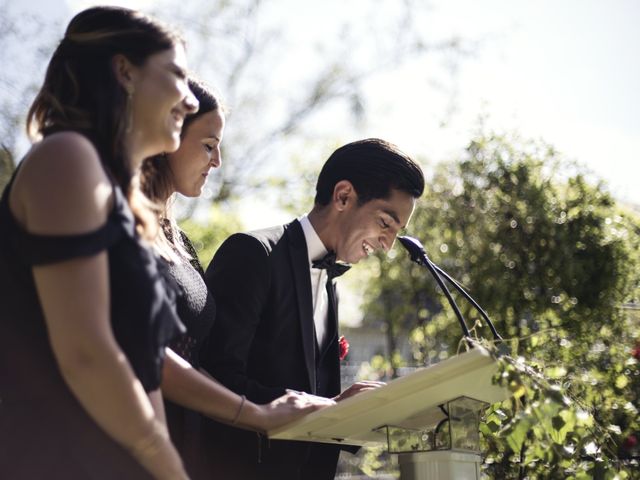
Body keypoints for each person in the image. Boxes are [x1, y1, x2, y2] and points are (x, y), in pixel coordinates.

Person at [0, 6, 198, 479]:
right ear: (124, 71)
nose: (191, 101)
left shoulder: (111, 192)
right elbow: (86, 351)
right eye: (177, 76)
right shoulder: (66, 157)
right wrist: (167, 464)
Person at [200, 138, 426, 479]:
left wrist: (359, 410)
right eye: (385, 223)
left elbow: (315, 397)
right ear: (344, 196)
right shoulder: (252, 255)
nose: (388, 245)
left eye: (396, 233)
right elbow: (214, 378)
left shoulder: (331, 284)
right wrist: (328, 407)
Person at [140, 78, 332, 478]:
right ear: (167, 135)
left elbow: (194, 363)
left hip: (187, 450)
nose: (218, 162)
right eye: (209, 145)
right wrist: (256, 414)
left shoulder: (180, 243)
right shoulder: (122, 227)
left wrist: (295, 409)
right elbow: (148, 355)